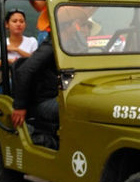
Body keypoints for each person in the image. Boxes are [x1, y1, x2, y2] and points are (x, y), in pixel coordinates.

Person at [11, 7, 90, 140]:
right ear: (66, 26)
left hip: (61, 94)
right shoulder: (50, 46)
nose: (77, 28)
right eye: (75, 24)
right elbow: (24, 71)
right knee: (81, 108)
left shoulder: (67, 46)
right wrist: (20, 106)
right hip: (45, 101)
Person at [0, 9, 37, 92]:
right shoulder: (1, 44)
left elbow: (36, 60)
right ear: (7, 24)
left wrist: (17, 50)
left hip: (28, 82)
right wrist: (7, 61)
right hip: (7, 83)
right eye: (14, 21)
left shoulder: (32, 41)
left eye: (21, 21)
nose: (18, 24)